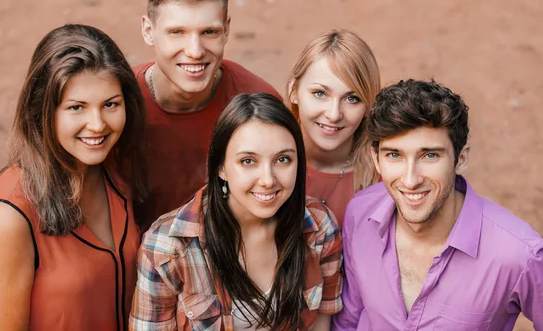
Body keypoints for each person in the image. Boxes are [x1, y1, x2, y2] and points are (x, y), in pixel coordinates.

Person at [332, 79, 543, 330]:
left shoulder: (519, 254)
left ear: (460, 159)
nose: (410, 180)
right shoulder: (360, 214)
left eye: (430, 155)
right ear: (376, 160)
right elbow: (348, 322)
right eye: (394, 155)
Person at [0, 24, 147, 331]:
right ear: (43, 111)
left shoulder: (117, 169)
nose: (97, 125)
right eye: (76, 107)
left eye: (110, 104)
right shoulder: (9, 218)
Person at [129, 93, 342, 331]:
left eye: (283, 159)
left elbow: (323, 318)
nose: (268, 180)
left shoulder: (318, 226)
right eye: (248, 161)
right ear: (221, 167)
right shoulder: (166, 246)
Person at [132, 0, 281, 225]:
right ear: (148, 30)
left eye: (209, 32)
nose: (195, 51)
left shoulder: (257, 100)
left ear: (226, 30)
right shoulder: (115, 104)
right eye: (177, 32)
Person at [287, 30, 381, 225]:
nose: (333, 114)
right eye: (320, 93)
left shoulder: (385, 174)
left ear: (368, 106)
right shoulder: (267, 165)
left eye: (352, 99)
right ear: (293, 91)